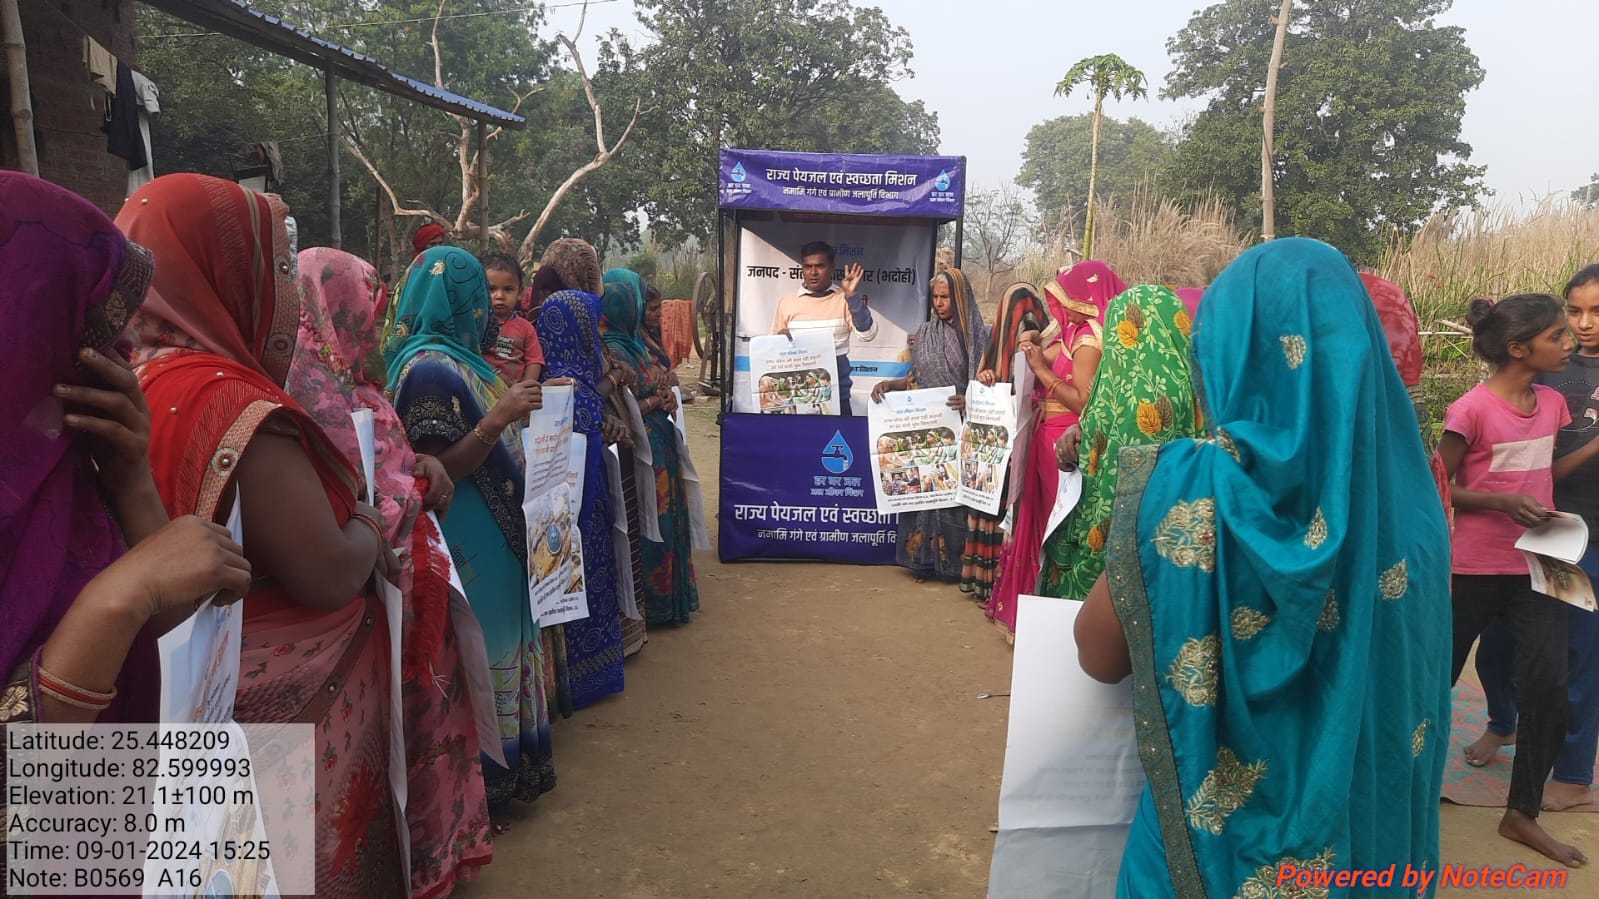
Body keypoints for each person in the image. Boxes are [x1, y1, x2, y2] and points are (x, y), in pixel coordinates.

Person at [1073, 238, 1452, 896]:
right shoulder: (1415, 516)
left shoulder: (1190, 490)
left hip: (1205, 856)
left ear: (1225, 355)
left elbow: (1098, 655)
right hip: (1365, 849)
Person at [118, 173, 406, 894]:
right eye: (272, 264)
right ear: (227, 273)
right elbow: (326, 572)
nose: (283, 289)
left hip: (159, 691)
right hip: (274, 701)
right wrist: (368, 523)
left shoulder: (128, 382)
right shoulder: (232, 400)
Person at [0, 173, 254, 891]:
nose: (123, 354)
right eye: (88, 324)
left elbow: (171, 646)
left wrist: (131, 482)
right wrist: (113, 603)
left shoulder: (59, 479)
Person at [285, 246, 494, 894]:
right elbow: (349, 495)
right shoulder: (307, 394)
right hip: (376, 594)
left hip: (414, 581)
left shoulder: (358, 383)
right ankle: (417, 863)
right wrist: (412, 489)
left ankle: (440, 853)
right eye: (366, 310)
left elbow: (392, 463)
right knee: (399, 736)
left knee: (429, 723)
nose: (375, 326)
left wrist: (419, 470)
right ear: (333, 309)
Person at [384, 246, 560, 821]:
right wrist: (499, 418)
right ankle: (483, 785)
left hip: (494, 534)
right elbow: (436, 472)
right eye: (480, 295)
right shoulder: (430, 368)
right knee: (481, 657)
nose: (488, 307)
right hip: (468, 543)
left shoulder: (463, 361)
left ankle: (509, 769)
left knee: (500, 650)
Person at [1441, 293, 1592, 866]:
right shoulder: (1470, 411)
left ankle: (1521, 812)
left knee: (1549, 687)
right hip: (1475, 566)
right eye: (1557, 335)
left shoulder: (1552, 403)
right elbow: (1439, 487)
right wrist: (1500, 503)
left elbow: (1543, 471)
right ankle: (1397, 787)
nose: (1569, 342)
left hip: (1545, 561)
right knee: (1435, 679)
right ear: (1518, 349)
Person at [1468, 264, 1599, 813]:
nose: (1583, 325)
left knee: (1578, 653)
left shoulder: (1554, 357)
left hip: (1588, 534)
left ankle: (1573, 771)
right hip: (1537, 528)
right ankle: (1505, 720)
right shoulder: (1549, 366)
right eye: (1574, 312)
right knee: (1499, 643)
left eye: (1596, 312)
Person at [986, 261, 1120, 642]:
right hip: (1045, 436)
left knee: (1053, 528)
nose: (1060, 306)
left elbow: (1083, 402)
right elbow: (1044, 354)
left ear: (1086, 299)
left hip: (1063, 442)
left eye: (1066, 299)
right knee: (1037, 521)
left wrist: (1042, 372)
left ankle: (1047, 623)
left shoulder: (1089, 340)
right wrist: (1033, 344)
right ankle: (1031, 617)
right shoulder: (1072, 332)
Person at [1039, 285, 1200, 600]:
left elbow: (1125, 489)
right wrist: (1078, 433)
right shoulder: (1185, 382)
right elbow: (1096, 423)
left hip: (1122, 549)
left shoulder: (1143, 393)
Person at [535, 239, 628, 706]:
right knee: (577, 582)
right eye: (588, 326)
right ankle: (581, 679)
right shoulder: (562, 389)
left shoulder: (557, 382)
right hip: (572, 518)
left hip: (572, 514)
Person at [871, 267, 989, 583]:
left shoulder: (981, 336)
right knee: (922, 491)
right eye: (935, 297)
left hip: (963, 431)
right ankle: (921, 562)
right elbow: (917, 380)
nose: (938, 303)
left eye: (945, 297)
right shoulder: (925, 333)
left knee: (953, 498)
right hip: (928, 430)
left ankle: (953, 567)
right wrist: (891, 385)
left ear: (961, 298)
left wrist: (971, 400)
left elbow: (995, 384)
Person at [603, 269, 702, 625]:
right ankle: (653, 607)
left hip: (660, 446)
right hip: (640, 451)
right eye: (637, 301)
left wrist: (667, 395)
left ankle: (669, 602)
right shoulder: (613, 349)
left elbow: (658, 383)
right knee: (650, 521)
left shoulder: (635, 343)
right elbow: (620, 406)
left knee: (666, 520)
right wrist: (657, 401)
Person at [966, 282, 1049, 604]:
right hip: (995, 446)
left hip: (1027, 445)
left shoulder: (1047, 348)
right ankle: (986, 586)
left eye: (1031, 316)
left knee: (1014, 516)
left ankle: (1006, 590)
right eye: (1017, 319)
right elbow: (981, 386)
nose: (1025, 324)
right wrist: (987, 379)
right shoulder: (994, 347)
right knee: (990, 509)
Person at [769, 241, 877, 415]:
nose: (813, 272)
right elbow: (773, 352)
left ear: (832, 267)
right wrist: (780, 340)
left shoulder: (844, 300)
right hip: (797, 400)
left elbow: (867, 334)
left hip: (837, 399)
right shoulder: (787, 302)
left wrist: (851, 295)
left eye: (820, 266)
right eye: (808, 266)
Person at [481, 251, 544, 384]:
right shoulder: (477, 323)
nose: (500, 296)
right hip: (482, 389)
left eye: (508, 289)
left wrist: (525, 387)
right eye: (491, 289)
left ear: (520, 292)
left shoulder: (525, 328)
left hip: (515, 391)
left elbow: (534, 361)